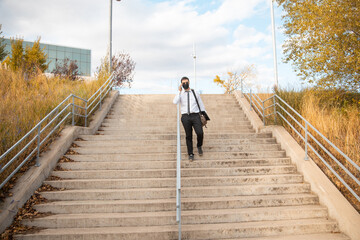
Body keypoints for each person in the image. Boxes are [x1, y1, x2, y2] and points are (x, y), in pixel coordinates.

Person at [173, 76, 206, 161]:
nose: (185, 84)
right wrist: (179, 91)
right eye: (183, 83)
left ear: (189, 82)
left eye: (186, 82)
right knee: (188, 136)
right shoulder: (180, 94)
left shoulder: (195, 92)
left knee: (200, 132)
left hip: (195, 116)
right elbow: (175, 101)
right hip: (185, 117)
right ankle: (190, 153)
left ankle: (199, 145)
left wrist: (204, 115)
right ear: (181, 84)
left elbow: (201, 104)